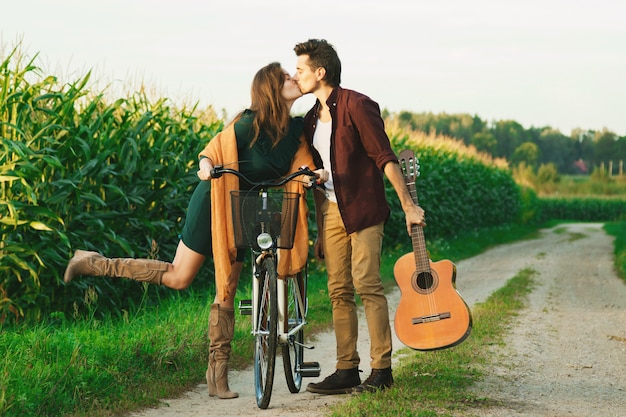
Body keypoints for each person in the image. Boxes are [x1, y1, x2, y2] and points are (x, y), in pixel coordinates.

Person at [63, 62, 326, 400]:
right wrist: (206, 168)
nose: (294, 79)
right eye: (286, 78)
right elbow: (212, 151)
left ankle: (218, 375)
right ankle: (94, 262)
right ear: (271, 90)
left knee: (228, 289)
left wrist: (308, 175)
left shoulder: (295, 130)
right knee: (178, 277)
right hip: (216, 200)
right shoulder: (248, 125)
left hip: (249, 206)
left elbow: (303, 161)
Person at [292, 39, 426, 394]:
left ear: (320, 72)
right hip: (333, 211)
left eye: (301, 69)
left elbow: (385, 157)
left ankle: (381, 370)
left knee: (367, 284)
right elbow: (323, 176)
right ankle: (346, 369)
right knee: (338, 291)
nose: (296, 75)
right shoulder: (309, 120)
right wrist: (321, 231)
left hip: (364, 208)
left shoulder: (357, 105)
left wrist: (409, 206)